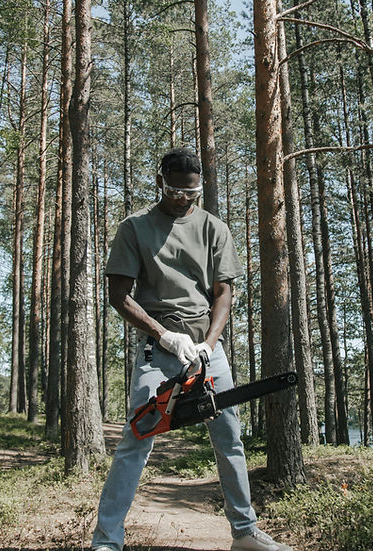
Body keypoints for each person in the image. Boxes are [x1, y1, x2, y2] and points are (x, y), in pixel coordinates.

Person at [91, 148, 291, 551]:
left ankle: (245, 533)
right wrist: (165, 336)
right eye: (176, 190)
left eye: (192, 191)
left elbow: (224, 294)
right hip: (157, 348)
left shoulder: (214, 228)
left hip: (205, 348)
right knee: (137, 435)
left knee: (229, 436)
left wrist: (208, 345)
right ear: (161, 182)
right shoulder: (135, 229)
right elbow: (118, 296)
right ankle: (107, 540)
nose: (184, 198)